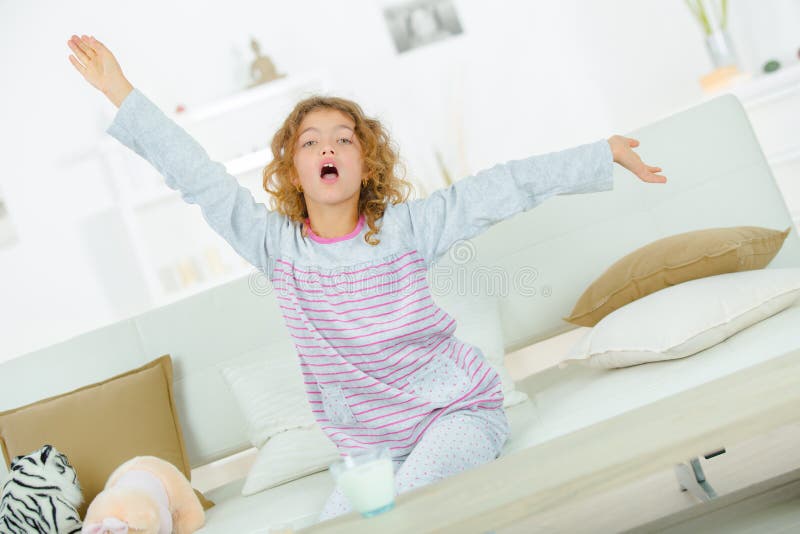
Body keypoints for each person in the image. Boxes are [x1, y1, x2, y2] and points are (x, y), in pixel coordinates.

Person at [66, 34, 667, 522]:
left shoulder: (408, 230)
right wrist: (120, 91)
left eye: (343, 138)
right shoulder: (277, 247)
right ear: (294, 170)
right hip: (371, 452)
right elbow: (197, 177)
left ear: (365, 162)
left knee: (403, 508)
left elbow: (502, 188)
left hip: (457, 416)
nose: (328, 146)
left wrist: (602, 152)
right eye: (311, 141)